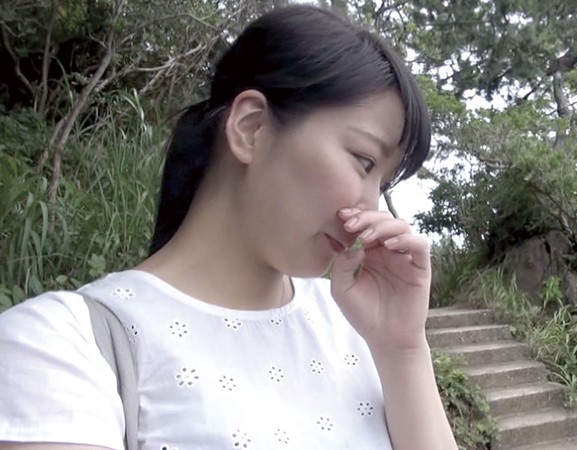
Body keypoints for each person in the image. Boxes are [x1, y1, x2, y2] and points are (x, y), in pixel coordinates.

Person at [0, 5, 458, 450]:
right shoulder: (58, 346)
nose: (371, 205)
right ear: (251, 127)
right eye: (363, 161)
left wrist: (403, 350)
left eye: (383, 182)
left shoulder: (355, 327)